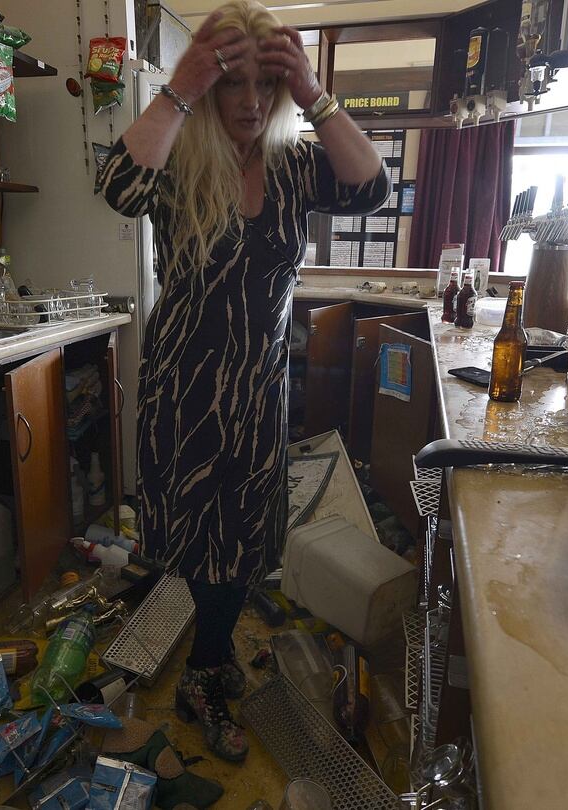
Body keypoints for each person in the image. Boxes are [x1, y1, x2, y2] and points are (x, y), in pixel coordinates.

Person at [96, 0, 388, 762]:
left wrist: (317, 93)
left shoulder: (295, 166)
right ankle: (206, 670)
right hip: (184, 390)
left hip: (258, 390)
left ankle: (208, 660)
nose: (252, 102)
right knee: (200, 544)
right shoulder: (180, 163)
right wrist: (182, 84)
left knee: (245, 544)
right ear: (208, 88)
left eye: (267, 85)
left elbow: (371, 188)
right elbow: (117, 186)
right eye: (234, 85)